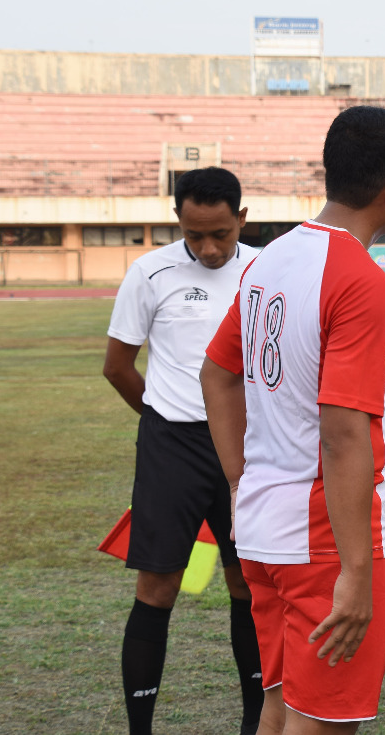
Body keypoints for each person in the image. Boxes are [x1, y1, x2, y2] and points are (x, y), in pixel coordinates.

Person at [200, 106, 385, 734]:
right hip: (323, 542)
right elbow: (342, 428)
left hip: (263, 530)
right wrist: (356, 573)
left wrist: (243, 479)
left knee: (279, 708)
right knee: (321, 724)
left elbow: (216, 374)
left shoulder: (269, 260)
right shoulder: (360, 278)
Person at [102, 166, 263, 735]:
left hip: (247, 449)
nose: (209, 247)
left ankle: (255, 722)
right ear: (179, 222)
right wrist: (163, 419)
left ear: (242, 219)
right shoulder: (150, 273)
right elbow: (118, 367)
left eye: (220, 233)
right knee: (158, 586)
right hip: (172, 444)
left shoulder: (266, 272)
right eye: (195, 235)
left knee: (249, 583)